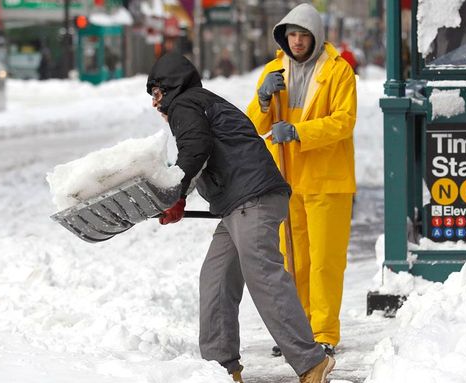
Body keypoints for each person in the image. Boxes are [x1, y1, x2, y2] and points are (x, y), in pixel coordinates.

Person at [146, 52, 334, 383]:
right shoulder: (199, 103)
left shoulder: (185, 105)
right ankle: (221, 369)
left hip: (252, 199)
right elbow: (201, 156)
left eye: (156, 94)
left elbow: (195, 151)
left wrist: (175, 193)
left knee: (263, 274)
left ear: (170, 87)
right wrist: (179, 196)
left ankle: (311, 361)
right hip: (239, 203)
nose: (155, 104)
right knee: (216, 279)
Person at [246, 3, 357, 358]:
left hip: (327, 181)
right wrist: (263, 99)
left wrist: (298, 130)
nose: (296, 41)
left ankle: (323, 332)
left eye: (303, 35)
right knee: (293, 262)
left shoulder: (339, 73)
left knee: (325, 261)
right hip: (287, 181)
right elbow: (253, 127)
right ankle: (296, 332)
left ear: (315, 36)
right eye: (291, 35)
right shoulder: (272, 71)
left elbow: (344, 121)